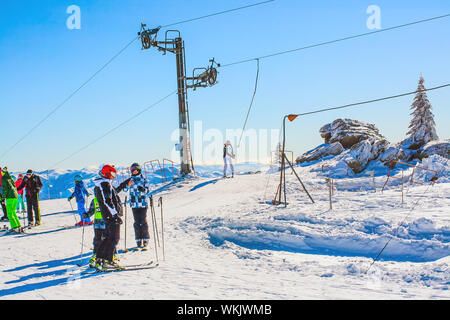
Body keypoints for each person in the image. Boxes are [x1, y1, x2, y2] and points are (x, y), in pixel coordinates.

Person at [93, 164, 123, 271]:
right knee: (114, 238)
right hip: (110, 215)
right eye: (113, 174)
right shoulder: (104, 184)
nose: (114, 176)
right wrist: (115, 214)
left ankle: (100, 259)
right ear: (107, 173)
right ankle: (108, 261)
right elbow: (107, 201)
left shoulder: (101, 183)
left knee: (108, 238)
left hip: (107, 214)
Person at [116, 163, 151, 250]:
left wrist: (143, 190)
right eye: (133, 169)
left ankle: (145, 239)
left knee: (143, 221)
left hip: (142, 204)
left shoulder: (144, 180)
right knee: (136, 222)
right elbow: (125, 189)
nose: (134, 170)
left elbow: (148, 191)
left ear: (139, 170)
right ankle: (138, 239)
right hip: (134, 204)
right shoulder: (130, 180)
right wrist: (128, 185)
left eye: (136, 168)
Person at [83, 197, 107, 268]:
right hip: (97, 223)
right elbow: (92, 210)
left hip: (106, 222)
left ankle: (106, 258)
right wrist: (87, 215)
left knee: (105, 240)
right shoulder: (95, 200)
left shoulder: (107, 198)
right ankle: (97, 258)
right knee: (97, 240)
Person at [1, 167, 22, 233]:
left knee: (9, 213)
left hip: (10, 197)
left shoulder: (3, 178)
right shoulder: (10, 178)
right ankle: (18, 226)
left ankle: (14, 227)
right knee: (13, 212)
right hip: (15, 196)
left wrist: (2, 198)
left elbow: (5, 189)